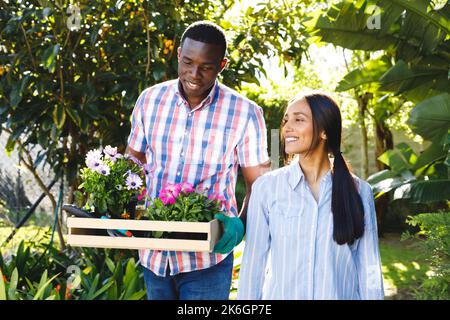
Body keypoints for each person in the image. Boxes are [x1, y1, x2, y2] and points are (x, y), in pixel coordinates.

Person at [126, 21, 271, 300]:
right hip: (154, 254)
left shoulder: (245, 113)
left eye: (206, 67)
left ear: (222, 65)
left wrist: (240, 224)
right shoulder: (149, 100)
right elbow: (134, 162)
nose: (194, 74)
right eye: (188, 62)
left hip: (207, 259)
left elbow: (259, 185)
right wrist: (122, 208)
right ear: (179, 54)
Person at [237, 92, 384, 300]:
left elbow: (369, 268)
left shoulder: (360, 191)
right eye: (286, 120)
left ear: (324, 131)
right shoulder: (266, 189)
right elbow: (253, 267)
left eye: (299, 119)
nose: (287, 127)